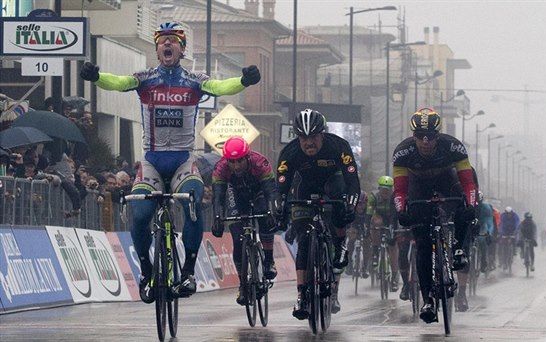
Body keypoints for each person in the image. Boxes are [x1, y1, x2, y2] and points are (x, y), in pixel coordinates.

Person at [80, 21, 261, 304]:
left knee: (192, 200)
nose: (167, 44)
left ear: (182, 48)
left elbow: (220, 86)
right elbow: (117, 83)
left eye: (173, 40)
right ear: (156, 49)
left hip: (182, 161)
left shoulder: (194, 81)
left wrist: (243, 81)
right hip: (152, 161)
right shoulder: (145, 78)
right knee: (139, 215)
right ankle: (146, 270)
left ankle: (188, 271)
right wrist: (97, 76)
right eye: (162, 40)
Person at [392, 108, 477, 324]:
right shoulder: (402, 153)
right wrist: (401, 210)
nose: (426, 141)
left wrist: (471, 204)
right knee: (422, 243)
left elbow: (468, 182)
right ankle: (428, 299)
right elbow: (400, 190)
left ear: (437, 136)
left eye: (430, 136)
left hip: (446, 179)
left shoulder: (453, 147)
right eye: (421, 136)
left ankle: (457, 247)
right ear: (414, 137)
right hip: (417, 185)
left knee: (463, 203)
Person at [274, 109, 361, 319]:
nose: (308, 143)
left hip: (334, 181)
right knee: (304, 240)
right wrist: (280, 207)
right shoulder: (290, 153)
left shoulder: (339, 146)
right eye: (303, 138)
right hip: (305, 186)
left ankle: (340, 245)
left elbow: (352, 180)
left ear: (322, 134)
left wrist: (351, 201)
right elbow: (282, 187)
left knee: (340, 197)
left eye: (313, 137)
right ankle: (302, 295)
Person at [211, 136, 277, 305]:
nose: (236, 166)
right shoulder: (221, 168)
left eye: (240, 161)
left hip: (259, 192)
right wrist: (217, 217)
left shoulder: (260, 163)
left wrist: (272, 212)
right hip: (236, 196)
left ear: (247, 157)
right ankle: (242, 285)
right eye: (232, 162)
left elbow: (270, 191)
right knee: (238, 239)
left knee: (264, 214)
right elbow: (218, 197)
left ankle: (269, 261)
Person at [366, 175, 399, 292]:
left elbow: (397, 214)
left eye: (388, 189)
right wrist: (366, 227)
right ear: (379, 189)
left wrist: (394, 228)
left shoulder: (395, 197)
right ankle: (375, 251)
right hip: (379, 217)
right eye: (383, 189)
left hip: (392, 219)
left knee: (393, 248)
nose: (385, 191)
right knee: (375, 223)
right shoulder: (374, 196)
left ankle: (394, 276)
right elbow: (369, 212)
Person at [345, 190, 370, 279]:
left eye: (362, 204)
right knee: (351, 238)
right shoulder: (352, 209)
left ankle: (365, 267)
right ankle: (350, 263)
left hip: (364, 226)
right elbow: (348, 223)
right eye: (358, 204)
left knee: (367, 243)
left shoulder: (368, 210)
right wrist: (349, 230)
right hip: (354, 225)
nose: (360, 206)